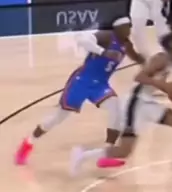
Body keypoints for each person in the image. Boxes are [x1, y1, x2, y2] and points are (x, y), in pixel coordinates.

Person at [14, 17, 143, 168]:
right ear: (118, 28)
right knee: (58, 117)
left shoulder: (126, 45)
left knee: (115, 108)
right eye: (126, 26)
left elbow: (137, 58)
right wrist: (103, 52)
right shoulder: (107, 36)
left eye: (130, 26)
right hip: (81, 81)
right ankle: (28, 143)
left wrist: (153, 61)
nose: (129, 30)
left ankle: (106, 154)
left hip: (100, 85)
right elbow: (82, 40)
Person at [75, 29, 172, 176]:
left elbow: (163, 85)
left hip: (146, 102)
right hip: (135, 103)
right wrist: (165, 86)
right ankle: (82, 156)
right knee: (124, 151)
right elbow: (139, 77)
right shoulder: (161, 59)